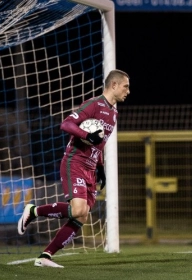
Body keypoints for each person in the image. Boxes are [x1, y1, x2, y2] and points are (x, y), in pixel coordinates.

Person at [18, 69, 130, 268]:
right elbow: (66, 124)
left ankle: (45, 256)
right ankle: (34, 211)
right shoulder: (94, 104)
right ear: (114, 85)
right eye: (125, 86)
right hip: (75, 161)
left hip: (91, 168)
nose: (128, 91)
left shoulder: (113, 113)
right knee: (78, 209)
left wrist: (101, 167)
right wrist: (86, 136)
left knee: (83, 214)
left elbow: (99, 144)